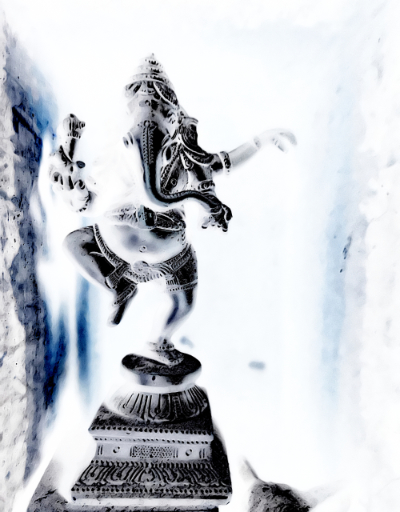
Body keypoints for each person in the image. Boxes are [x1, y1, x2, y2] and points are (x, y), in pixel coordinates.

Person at [48, 56, 295, 364]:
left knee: (184, 304)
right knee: (73, 244)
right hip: (114, 246)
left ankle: (159, 342)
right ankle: (117, 285)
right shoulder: (116, 158)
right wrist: (73, 174)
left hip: (169, 254)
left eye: (160, 113)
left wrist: (260, 141)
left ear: (173, 120)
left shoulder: (186, 157)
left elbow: (223, 162)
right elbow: (87, 200)